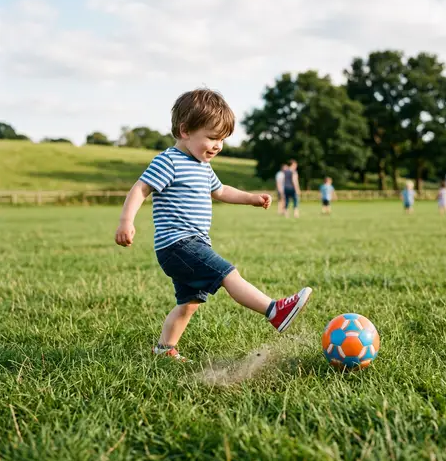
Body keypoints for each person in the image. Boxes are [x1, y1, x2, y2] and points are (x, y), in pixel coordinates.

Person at [114, 89, 312, 362]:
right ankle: (274, 311)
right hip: (178, 244)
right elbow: (140, 189)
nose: (218, 146)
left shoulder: (203, 167)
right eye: (212, 137)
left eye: (222, 140)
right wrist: (126, 221)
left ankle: (164, 349)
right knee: (229, 274)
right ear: (185, 131)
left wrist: (251, 199)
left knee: (188, 304)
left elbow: (221, 191)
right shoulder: (168, 160)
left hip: (191, 243)